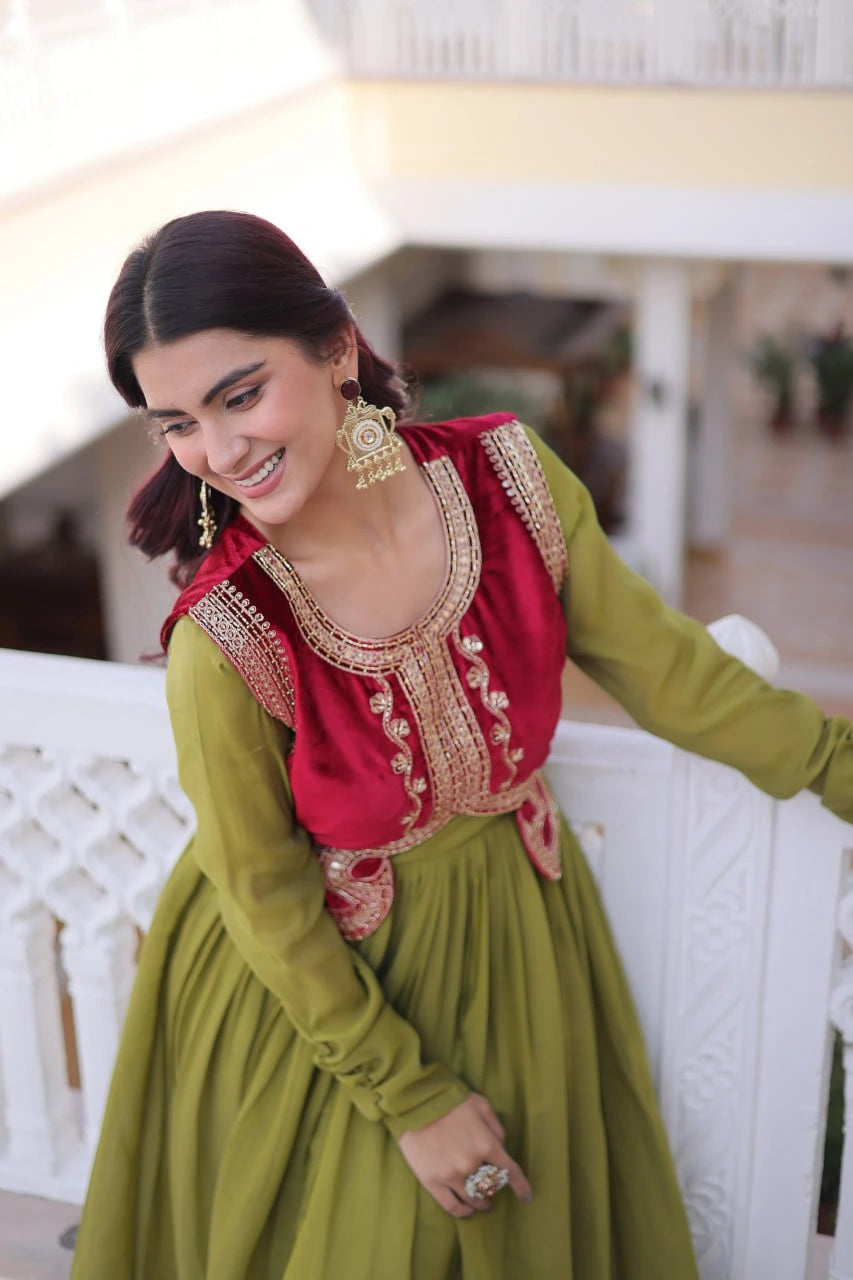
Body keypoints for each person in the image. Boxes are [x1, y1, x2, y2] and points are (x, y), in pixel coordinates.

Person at [72, 210, 853, 1280]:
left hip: (519, 936)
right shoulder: (230, 632)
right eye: (177, 423)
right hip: (320, 1000)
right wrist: (410, 1094)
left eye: (240, 393)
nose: (219, 450)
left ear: (337, 348)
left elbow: (670, 674)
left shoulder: (508, 482)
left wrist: (833, 766)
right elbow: (261, 892)